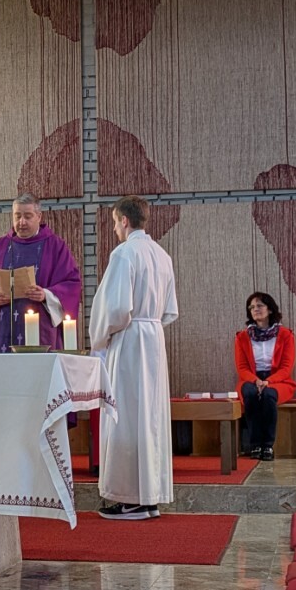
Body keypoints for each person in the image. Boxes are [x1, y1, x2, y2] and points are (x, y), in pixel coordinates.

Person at [89, 196, 178, 520]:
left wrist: (100, 339)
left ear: (124, 220)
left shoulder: (125, 253)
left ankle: (130, 499)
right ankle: (149, 497)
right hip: (152, 339)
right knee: (149, 418)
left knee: (125, 416)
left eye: (115, 222)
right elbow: (170, 310)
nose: (115, 229)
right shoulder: (162, 255)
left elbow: (115, 309)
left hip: (129, 341)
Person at [0, 193, 81, 352]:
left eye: (28, 216)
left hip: (42, 328)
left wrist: (46, 295)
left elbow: (71, 285)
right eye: (17, 216)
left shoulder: (55, 247)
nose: (22, 222)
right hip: (4, 326)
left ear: (39, 216)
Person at [235, 292, 296, 461]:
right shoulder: (242, 337)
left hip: (278, 380)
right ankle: (255, 445)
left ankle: (268, 445)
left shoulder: (285, 335)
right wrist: (256, 381)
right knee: (249, 393)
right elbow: (242, 367)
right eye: (252, 307)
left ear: (270, 309)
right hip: (251, 378)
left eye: (260, 305)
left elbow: (286, 367)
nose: (255, 309)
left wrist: (269, 381)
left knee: (269, 395)